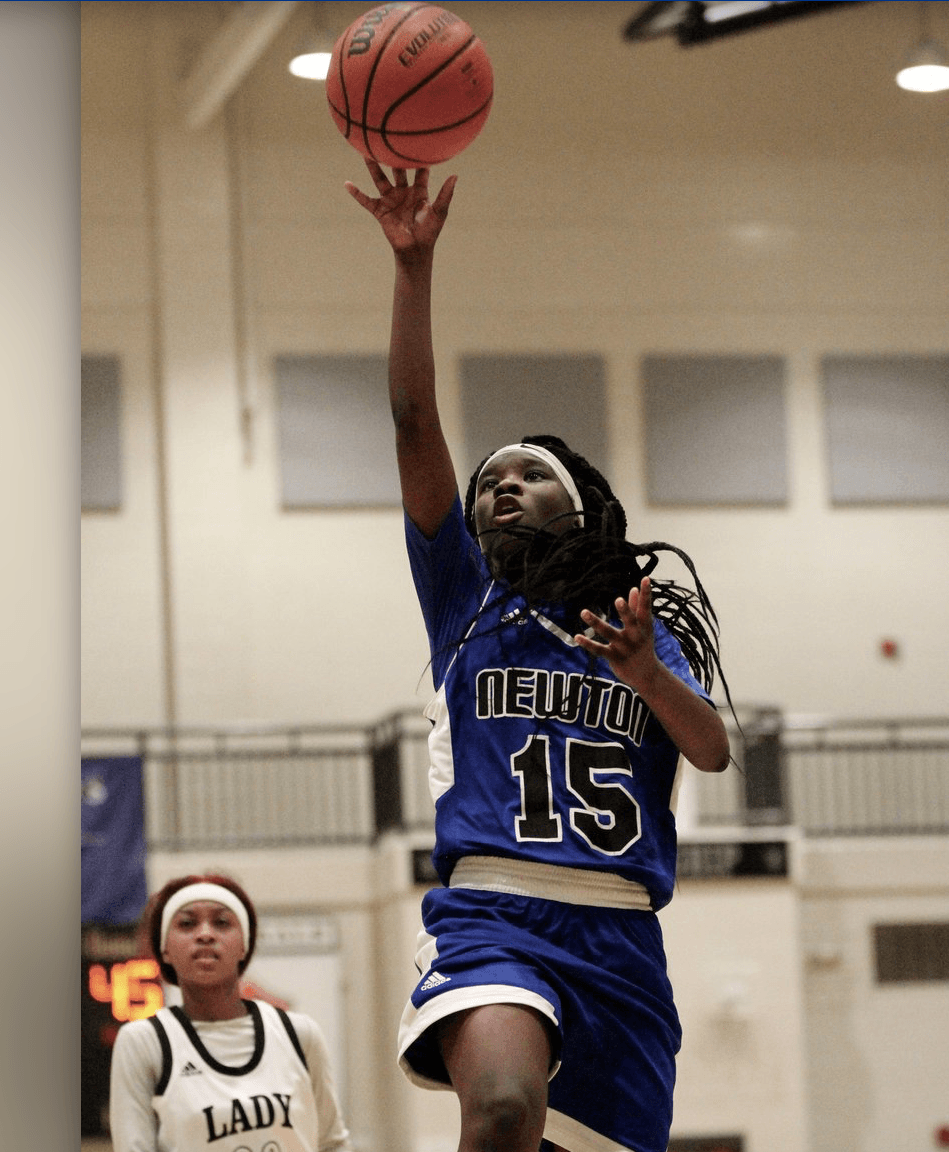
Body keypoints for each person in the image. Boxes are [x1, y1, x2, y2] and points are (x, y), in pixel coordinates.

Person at [346, 160, 734, 1152]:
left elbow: (711, 752)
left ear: (583, 505)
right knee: (506, 1107)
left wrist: (646, 674)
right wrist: (412, 268)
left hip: (620, 934)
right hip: (496, 912)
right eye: (489, 483)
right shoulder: (466, 601)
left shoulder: (643, 623)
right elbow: (412, 423)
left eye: (528, 474)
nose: (500, 487)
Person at [109, 873, 353, 1152]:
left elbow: (333, 1144)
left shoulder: (299, 1034)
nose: (205, 934)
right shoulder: (143, 1042)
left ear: (244, 945)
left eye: (222, 922)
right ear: (165, 949)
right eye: (187, 923)